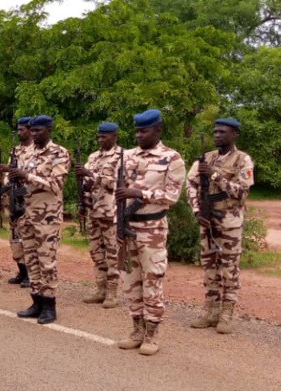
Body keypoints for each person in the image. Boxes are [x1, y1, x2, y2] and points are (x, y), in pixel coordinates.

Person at [115, 109, 185, 356]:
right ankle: (136, 330)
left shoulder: (171, 158)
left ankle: (152, 335)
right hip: (128, 225)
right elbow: (118, 195)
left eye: (143, 131)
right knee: (130, 281)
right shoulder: (127, 156)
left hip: (153, 228)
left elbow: (172, 196)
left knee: (152, 280)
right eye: (136, 131)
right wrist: (118, 226)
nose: (138, 135)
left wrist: (141, 194)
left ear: (157, 130)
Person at [186, 118, 254, 334]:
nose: (217, 135)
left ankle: (226, 314)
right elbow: (190, 184)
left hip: (229, 223)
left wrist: (214, 175)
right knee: (209, 267)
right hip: (208, 222)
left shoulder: (242, 160)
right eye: (215, 131)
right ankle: (210, 311)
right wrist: (197, 210)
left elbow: (242, 192)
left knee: (229, 269)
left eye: (222, 132)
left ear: (234, 134)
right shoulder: (205, 158)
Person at [12, 115, 71, 325]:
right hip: (27, 214)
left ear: (48, 130)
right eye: (32, 131)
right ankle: (36, 301)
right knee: (31, 259)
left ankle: (49, 305)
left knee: (47, 261)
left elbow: (56, 185)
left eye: (38, 131)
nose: (34, 134)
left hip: (47, 216)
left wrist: (27, 177)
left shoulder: (59, 153)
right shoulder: (28, 152)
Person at [75, 122, 124, 308]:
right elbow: (87, 183)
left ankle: (112, 292)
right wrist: (82, 199)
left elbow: (118, 184)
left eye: (105, 136)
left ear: (114, 136)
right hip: (94, 211)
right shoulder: (93, 157)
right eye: (99, 136)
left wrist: (91, 175)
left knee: (112, 253)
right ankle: (100, 288)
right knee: (96, 252)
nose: (101, 140)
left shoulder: (122, 157)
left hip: (111, 213)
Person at [0, 117, 33, 288]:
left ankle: (30, 273)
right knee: (14, 237)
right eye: (18, 130)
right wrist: (6, 186)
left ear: (30, 130)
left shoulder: (36, 151)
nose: (19, 133)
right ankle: (22, 270)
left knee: (26, 237)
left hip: (29, 200)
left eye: (22, 130)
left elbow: (31, 174)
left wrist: (13, 171)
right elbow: (8, 176)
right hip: (14, 197)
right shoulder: (15, 151)